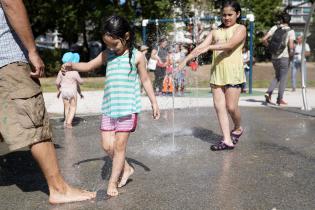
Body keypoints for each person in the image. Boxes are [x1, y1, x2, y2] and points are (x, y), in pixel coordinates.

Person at [0, 0, 95, 204]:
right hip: (6, 60)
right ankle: (59, 188)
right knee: (34, 121)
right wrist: (32, 51)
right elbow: (10, 2)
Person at [61, 15, 160, 196]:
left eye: (115, 44)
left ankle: (112, 183)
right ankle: (127, 168)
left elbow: (145, 80)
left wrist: (154, 102)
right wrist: (71, 65)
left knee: (120, 146)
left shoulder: (137, 57)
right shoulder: (108, 54)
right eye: (108, 44)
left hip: (128, 109)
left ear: (126, 36)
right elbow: (90, 65)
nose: (111, 48)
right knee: (107, 146)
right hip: (109, 108)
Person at [179, 0, 246, 151]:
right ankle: (227, 140)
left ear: (238, 14)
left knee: (231, 107)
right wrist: (184, 61)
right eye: (224, 15)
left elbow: (230, 45)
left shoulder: (240, 28)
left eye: (230, 15)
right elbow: (200, 47)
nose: (227, 18)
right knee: (220, 108)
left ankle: (238, 128)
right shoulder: (215, 31)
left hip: (233, 73)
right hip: (217, 73)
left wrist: (209, 47)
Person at [262, 12, 295, 105]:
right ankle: (279, 99)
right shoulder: (290, 31)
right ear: (289, 20)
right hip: (284, 57)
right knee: (283, 78)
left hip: (274, 57)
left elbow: (264, 39)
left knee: (277, 76)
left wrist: (269, 48)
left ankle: (268, 93)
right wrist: (292, 55)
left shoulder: (275, 27)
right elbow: (291, 45)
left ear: (281, 19)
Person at [56, 52, 84, 128]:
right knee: (73, 107)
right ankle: (69, 122)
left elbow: (57, 83)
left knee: (66, 107)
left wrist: (59, 90)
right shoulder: (75, 72)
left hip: (64, 92)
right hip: (72, 93)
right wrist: (83, 81)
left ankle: (66, 121)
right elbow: (80, 83)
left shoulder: (61, 72)